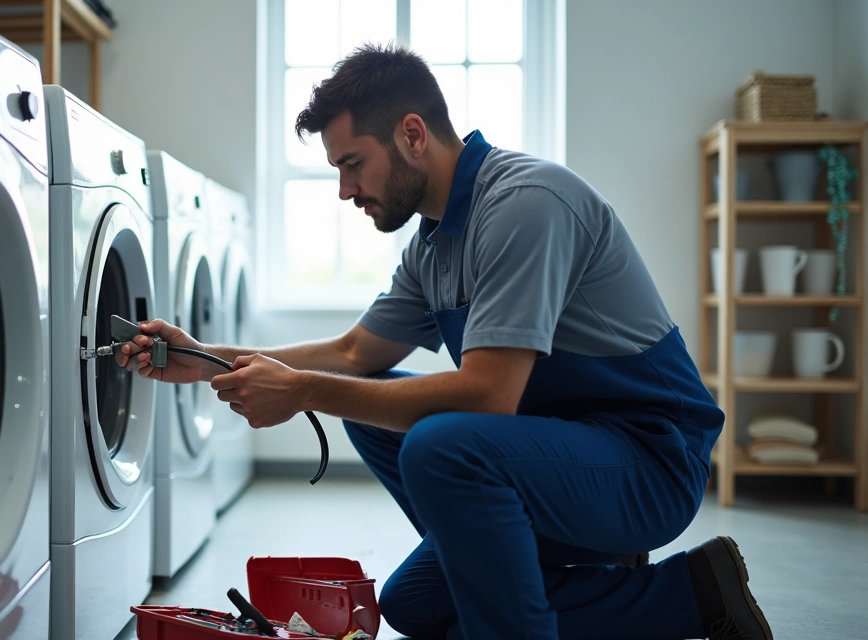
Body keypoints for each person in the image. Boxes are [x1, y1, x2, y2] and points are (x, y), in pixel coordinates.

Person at [115, 43, 772, 640]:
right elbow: (355, 355)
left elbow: (488, 398)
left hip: (649, 462)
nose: (344, 190)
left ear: (412, 134)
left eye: (352, 164)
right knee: (417, 604)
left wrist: (304, 392)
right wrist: (201, 360)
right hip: (560, 455)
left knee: (441, 445)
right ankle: (692, 595)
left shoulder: (524, 203)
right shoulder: (432, 244)